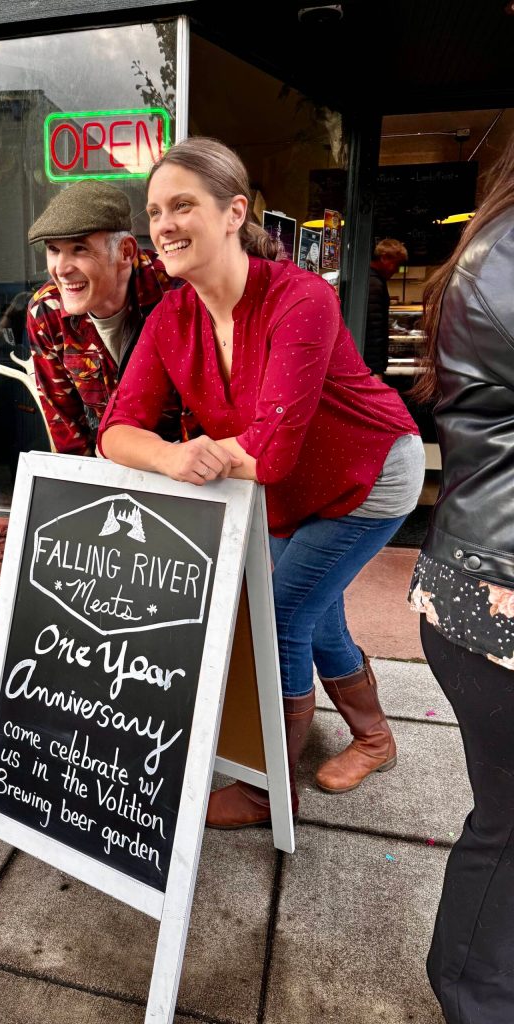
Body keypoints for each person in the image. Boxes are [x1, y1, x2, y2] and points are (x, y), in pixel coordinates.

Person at [98, 137, 424, 829]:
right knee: (315, 608)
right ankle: (374, 738)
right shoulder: (169, 319)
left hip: (371, 474)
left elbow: (268, 454)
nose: (164, 225)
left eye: (182, 204)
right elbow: (116, 433)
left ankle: (266, 785)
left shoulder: (300, 299)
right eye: (155, 211)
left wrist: (194, 450)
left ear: (231, 212)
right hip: (286, 492)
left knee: (278, 616)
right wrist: (173, 458)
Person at [408, 136, 514, 1024]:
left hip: (463, 568)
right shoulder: (507, 249)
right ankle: (474, 994)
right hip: (493, 593)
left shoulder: (492, 245)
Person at [26, 180, 181, 455]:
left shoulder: (176, 290)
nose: (60, 269)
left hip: (183, 467)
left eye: (79, 249)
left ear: (125, 252)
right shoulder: (46, 311)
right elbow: (66, 427)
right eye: (53, 249)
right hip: (106, 466)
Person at [363, 237, 408, 379]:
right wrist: (375, 370)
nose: (396, 269)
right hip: (370, 366)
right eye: (396, 264)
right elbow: (372, 331)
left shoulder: (369, 279)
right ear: (384, 258)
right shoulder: (374, 284)